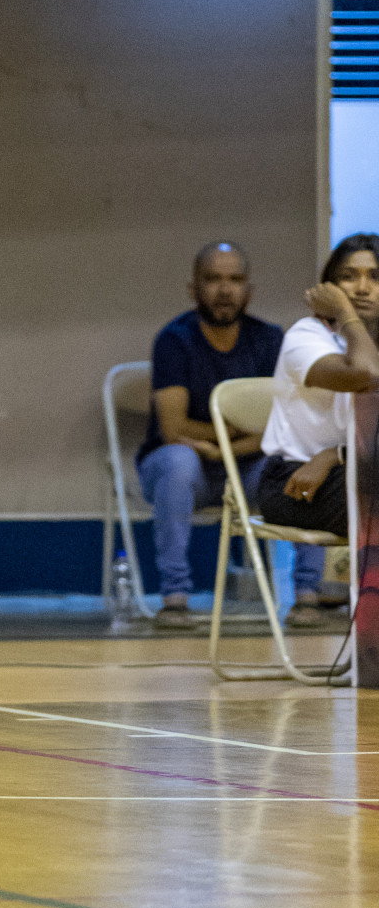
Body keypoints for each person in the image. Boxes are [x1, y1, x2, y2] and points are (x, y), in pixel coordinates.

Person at [135, 242, 324, 629]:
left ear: (249, 290)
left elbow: (285, 425)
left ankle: (308, 595)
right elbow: (174, 429)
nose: (224, 290)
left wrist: (225, 449)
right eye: (213, 279)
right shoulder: (174, 340)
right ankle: (175, 598)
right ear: (193, 289)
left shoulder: (271, 340)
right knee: (178, 460)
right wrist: (238, 431)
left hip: (247, 470)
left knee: (304, 457)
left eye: (235, 279)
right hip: (187, 470)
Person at [256, 234, 379, 626]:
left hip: (349, 471)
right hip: (292, 481)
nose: (362, 287)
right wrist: (346, 315)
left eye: (375, 277)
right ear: (328, 289)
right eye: (348, 277)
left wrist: (332, 455)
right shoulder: (306, 336)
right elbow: (365, 375)